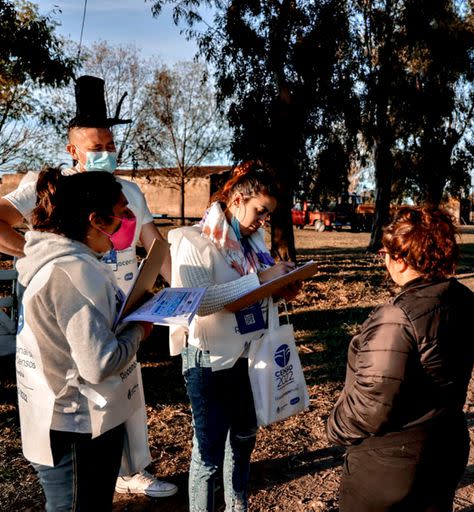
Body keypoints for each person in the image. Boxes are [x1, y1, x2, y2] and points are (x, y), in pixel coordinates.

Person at [0, 75, 177, 497]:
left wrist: (181, 291)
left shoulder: (127, 190)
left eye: (111, 147)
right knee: (83, 389)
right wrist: (39, 258)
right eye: (97, 149)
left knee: (125, 391)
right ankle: (83, 473)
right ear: (72, 149)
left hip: (124, 304)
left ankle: (133, 468)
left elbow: (154, 245)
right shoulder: (51, 188)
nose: (106, 155)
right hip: (74, 308)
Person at [326, 206, 474, 512]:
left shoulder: (397, 316)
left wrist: (334, 426)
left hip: (392, 463)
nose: (383, 260)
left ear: (399, 258)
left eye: (384, 252)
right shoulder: (465, 299)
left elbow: (371, 406)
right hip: (446, 445)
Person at [15, 169, 153, 511]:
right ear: (96, 220)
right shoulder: (73, 272)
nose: (128, 224)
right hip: (76, 429)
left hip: (70, 421)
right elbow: (98, 363)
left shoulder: (60, 262)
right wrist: (141, 329)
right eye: (122, 214)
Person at [168, 163, 299, 511]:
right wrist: (262, 279)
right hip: (209, 360)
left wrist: (280, 288)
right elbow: (201, 301)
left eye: (268, 214)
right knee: (208, 455)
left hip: (250, 355)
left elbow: (253, 293)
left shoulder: (253, 245)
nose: (263, 221)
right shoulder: (192, 240)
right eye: (260, 211)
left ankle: (237, 505)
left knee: (244, 439)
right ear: (238, 199)